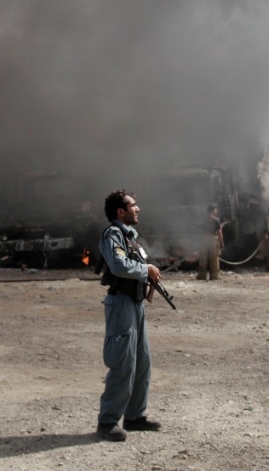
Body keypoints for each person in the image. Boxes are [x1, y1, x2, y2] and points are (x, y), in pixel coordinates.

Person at [96, 189, 162, 442]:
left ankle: (134, 416)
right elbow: (119, 265)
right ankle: (108, 421)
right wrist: (146, 269)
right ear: (120, 212)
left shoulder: (130, 236)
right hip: (121, 305)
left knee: (142, 362)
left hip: (135, 304)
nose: (138, 209)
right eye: (133, 205)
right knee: (123, 362)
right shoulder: (113, 235)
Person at [197, 204, 224, 280]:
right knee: (214, 258)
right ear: (213, 210)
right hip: (212, 239)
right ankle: (214, 276)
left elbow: (200, 231)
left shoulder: (203, 219)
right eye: (215, 209)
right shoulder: (216, 220)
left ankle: (202, 275)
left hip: (204, 238)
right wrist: (221, 242)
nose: (216, 211)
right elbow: (219, 232)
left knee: (203, 258)